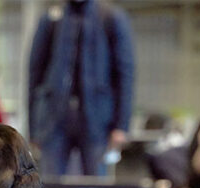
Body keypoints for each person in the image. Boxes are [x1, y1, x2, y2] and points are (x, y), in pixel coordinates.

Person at [28, 0, 135, 177]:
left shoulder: (112, 18)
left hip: (98, 121)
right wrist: (34, 128)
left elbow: (125, 74)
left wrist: (121, 125)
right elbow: (35, 73)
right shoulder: (51, 19)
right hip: (53, 121)